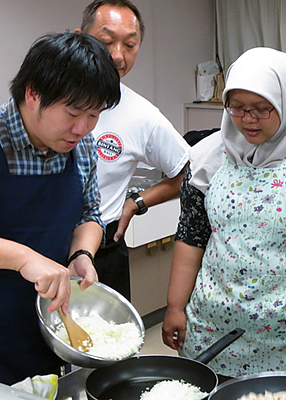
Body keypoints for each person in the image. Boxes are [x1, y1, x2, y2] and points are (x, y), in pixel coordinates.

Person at [0, 32, 121, 399]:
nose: (82, 128)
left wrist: (81, 254)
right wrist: (24, 258)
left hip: (43, 335)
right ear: (33, 93)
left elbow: (89, 214)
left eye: (94, 115)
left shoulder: (80, 148)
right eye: (72, 113)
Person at [161, 47, 286, 380]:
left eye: (261, 109)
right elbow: (191, 236)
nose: (248, 119)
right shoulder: (208, 156)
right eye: (237, 108)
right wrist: (174, 307)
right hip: (214, 333)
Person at [77, 0, 190, 301]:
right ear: (79, 37)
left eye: (130, 44)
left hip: (103, 247)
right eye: (106, 41)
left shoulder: (141, 115)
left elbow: (188, 171)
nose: (117, 55)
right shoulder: (47, 101)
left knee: (108, 341)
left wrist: (137, 202)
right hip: (42, 245)